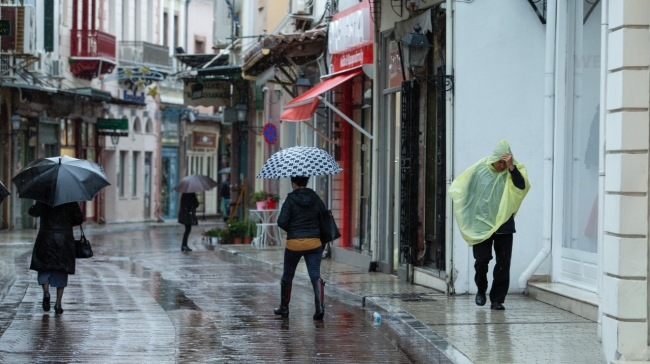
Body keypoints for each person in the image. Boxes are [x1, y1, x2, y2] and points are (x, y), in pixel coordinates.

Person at [449, 140, 530, 310]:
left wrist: (511, 167)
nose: (501, 165)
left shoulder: (512, 170)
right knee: (482, 259)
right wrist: (469, 217)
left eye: (504, 162)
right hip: (481, 223)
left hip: (504, 224)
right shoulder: (480, 169)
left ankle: (497, 299)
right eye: (499, 162)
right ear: (493, 158)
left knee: (503, 263)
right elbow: (465, 192)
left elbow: (521, 186)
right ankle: (481, 289)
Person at [274, 176, 325, 320]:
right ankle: (320, 307)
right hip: (314, 243)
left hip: (294, 244)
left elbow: (281, 221)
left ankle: (284, 308)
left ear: (293, 184)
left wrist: (293, 230)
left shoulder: (290, 200)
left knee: (287, 276)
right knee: (315, 275)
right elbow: (323, 218)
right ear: (307, 182)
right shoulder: (315, 198)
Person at [29, 201, 84, 315]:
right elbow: (78, 219)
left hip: (45, 238)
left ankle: (46, 292)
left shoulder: (44, 198)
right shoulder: (70, 200)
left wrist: (34, 206)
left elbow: (33, 212)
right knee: (61, 269)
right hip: (64, 238)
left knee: (44, 267)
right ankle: (58, 304)